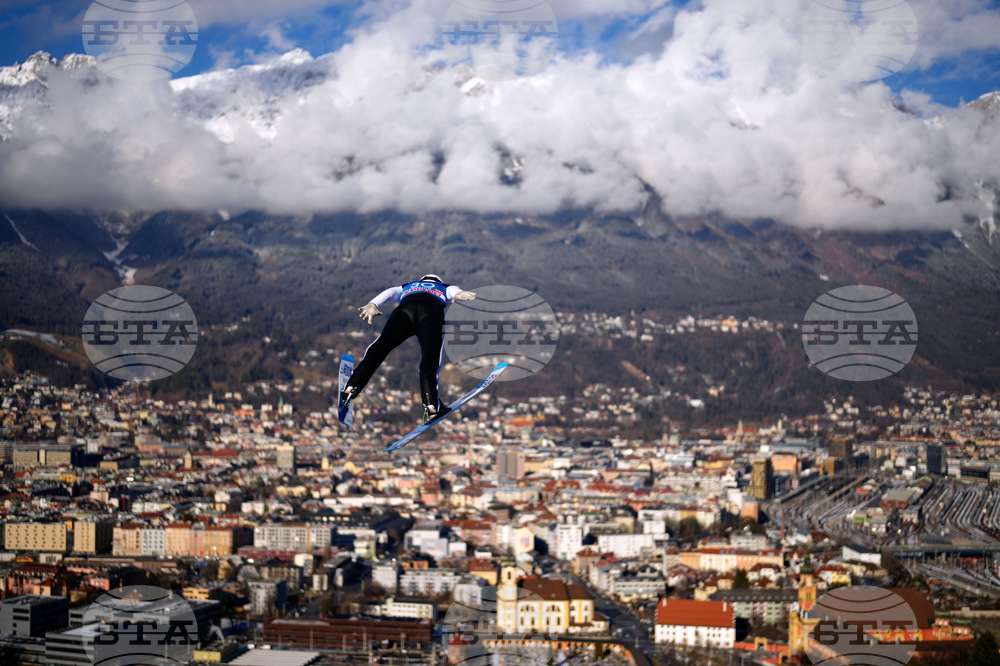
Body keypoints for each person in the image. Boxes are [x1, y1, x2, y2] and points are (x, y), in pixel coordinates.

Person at [340, 274, 477, 423]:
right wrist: (459, 293)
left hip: (404, 313)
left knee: (380, 346)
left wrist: (373, 304)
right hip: (430, 315)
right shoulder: (444, 287)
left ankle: (353, 385)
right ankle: (431, 404)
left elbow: (390, 292)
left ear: (422, 280)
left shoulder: (408, 285)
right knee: (430, 359)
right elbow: (454, 291)